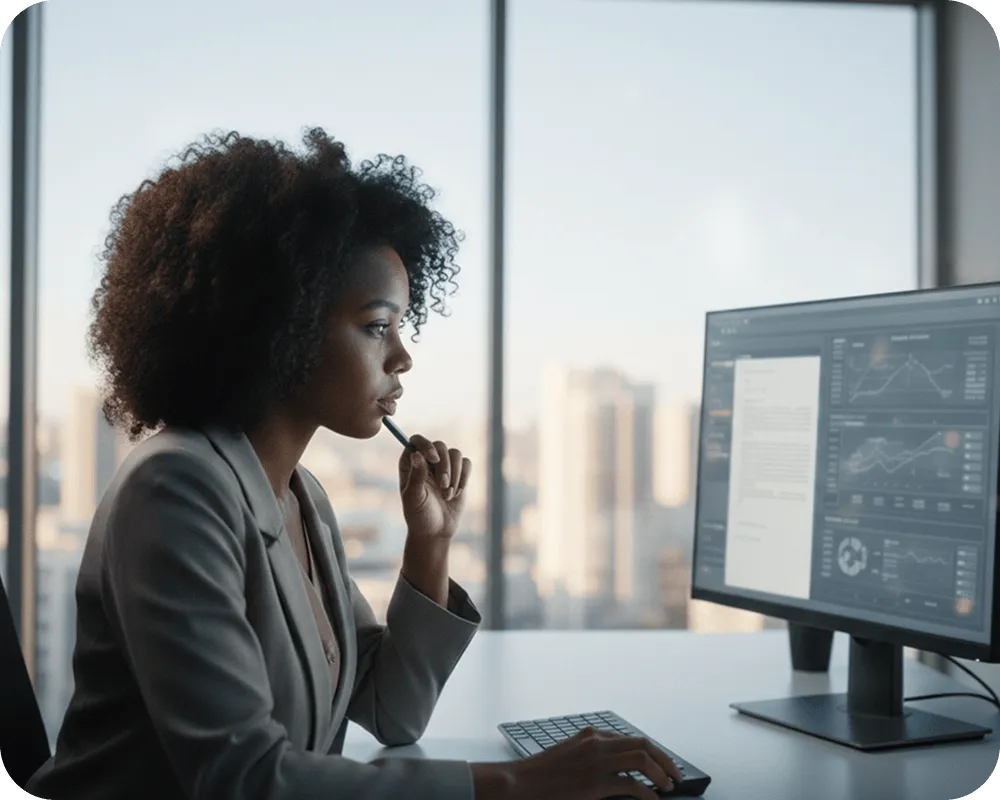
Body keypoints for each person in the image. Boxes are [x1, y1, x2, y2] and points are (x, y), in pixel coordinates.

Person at [24, 128, 681, 800]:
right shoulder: (175, 489)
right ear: (282, 325)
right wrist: (521, 782)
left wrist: (431, 546)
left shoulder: (298, 495)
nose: (402, 357)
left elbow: (393, 714)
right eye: (376, 326)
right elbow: (244, 780)